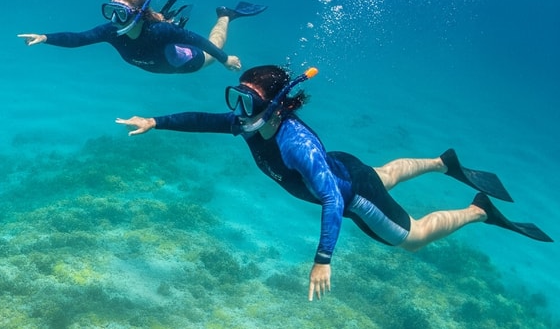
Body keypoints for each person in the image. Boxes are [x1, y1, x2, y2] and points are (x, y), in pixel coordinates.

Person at [116, 64, 551, 300]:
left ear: (277, 106)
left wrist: (323, 259)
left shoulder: (294, 145)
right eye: (238, 97)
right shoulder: (249, 123)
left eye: (249, 101)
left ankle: (478, 210)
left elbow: (330, 200)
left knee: (414, 238)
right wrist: (155, 121)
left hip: (351, 194)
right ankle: (442, 163)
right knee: (382, 174)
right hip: (344, 167)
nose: (239, 109)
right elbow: (204, 120)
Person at [17, 0, 263, 74]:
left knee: (214, 43)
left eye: (121, 13)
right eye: (111, 11)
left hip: (186, 63)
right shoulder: (110, 32)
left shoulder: (161, 31)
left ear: (137, 14)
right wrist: (45, 37)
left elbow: (199, 41)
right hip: (160, 63)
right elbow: (79, 38)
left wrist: (225, 59)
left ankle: (225, 15)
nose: (115, 19)